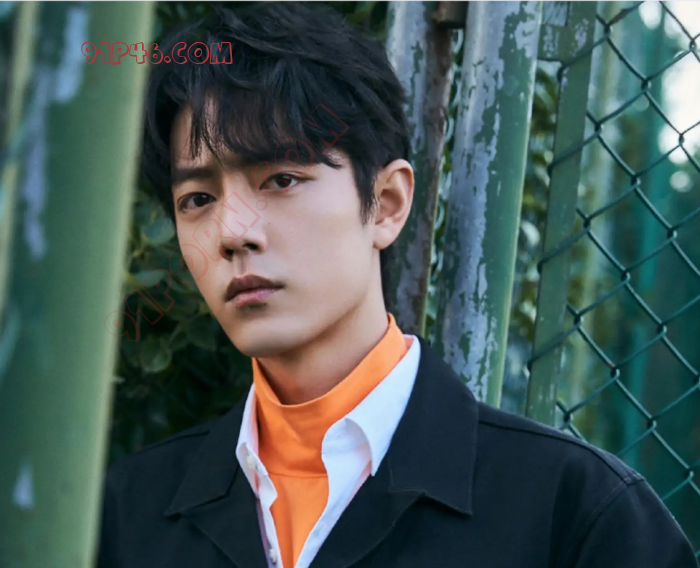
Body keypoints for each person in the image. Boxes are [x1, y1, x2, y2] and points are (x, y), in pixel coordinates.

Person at [97, 3, 699, 567]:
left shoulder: (573, 514)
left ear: (385, 204)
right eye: (198, 198)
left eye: (281, 179)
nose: (232, 232)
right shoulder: (127, 515)